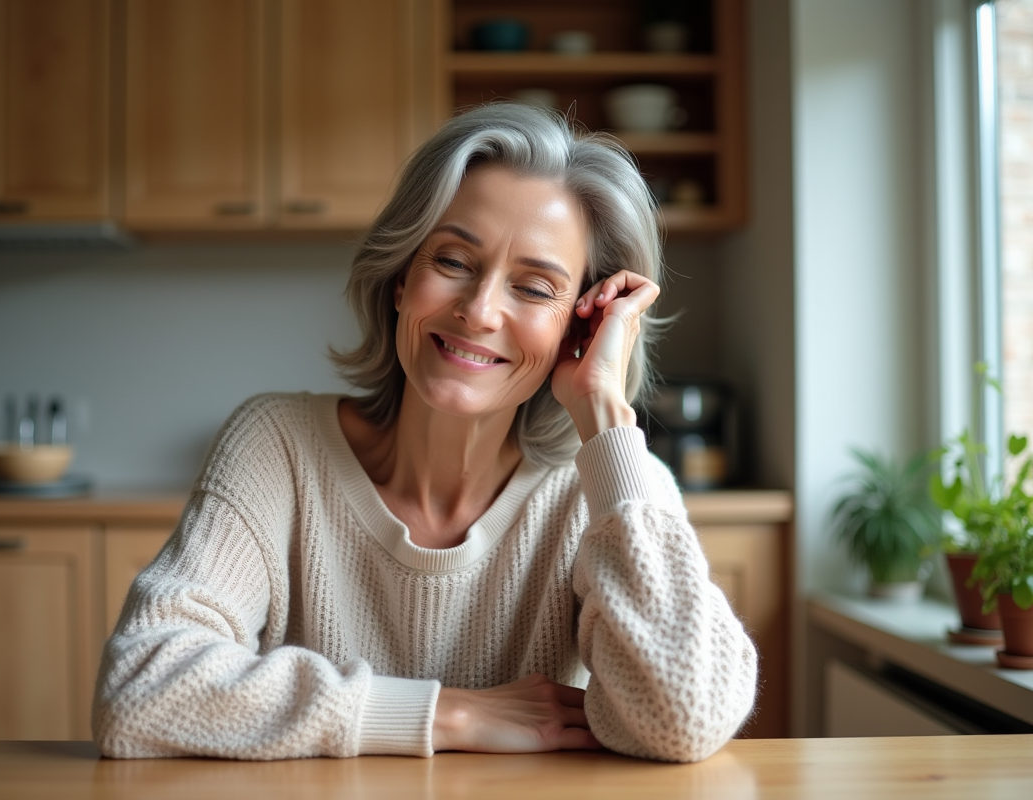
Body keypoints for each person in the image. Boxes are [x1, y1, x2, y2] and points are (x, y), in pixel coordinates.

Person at [92, 103, 758, 763]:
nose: (479, 310)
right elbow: (140, 687)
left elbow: (684, 719)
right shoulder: (277, 445)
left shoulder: (613, 493)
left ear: (579, 327)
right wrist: (448, 712)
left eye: (533, 287)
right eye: (453, 261)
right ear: (400, 280)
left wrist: (605, 417)